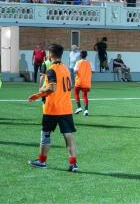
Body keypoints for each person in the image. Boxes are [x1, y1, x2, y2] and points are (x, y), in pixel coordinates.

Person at [28, 44, 79, 172]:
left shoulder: (51, 69)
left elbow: (52, 87)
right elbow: (69, 86)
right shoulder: (66, 69)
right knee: (68, 136)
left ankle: (42, 161)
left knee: (45, 134)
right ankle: (73, 164)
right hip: (66, 108)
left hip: (52, 108)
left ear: (50, 54)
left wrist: (39, 93)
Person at [73, 51, 92, 116]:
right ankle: (86, 110)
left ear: (80, 56)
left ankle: (79, 107)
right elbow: (93, 71)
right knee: (85, 96)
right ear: (86, 56)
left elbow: (75, 71)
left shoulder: (78, 62)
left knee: (76, 93)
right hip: (86, 82)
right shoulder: (89, 63)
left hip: (79, 81)